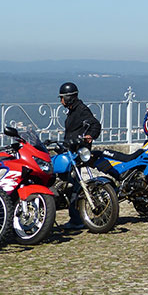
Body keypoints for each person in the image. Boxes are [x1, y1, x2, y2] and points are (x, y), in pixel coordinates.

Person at [59, 82, 101, 230]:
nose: (61, 101)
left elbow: (95, 124)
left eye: (63, 97)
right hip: (71, 150)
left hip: (78, 152)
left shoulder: (81, 110)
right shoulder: (73, 110)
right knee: (69, 182)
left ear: (69, 98)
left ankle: (76, 218)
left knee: (75, 185)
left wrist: (90, 136)